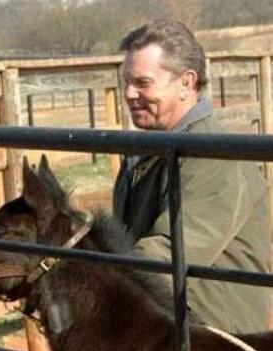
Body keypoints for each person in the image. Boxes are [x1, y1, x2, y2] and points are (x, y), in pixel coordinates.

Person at [113, 19, 270, 334]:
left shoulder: (215, 155)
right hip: (165, 317)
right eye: (126, 82)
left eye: (142, 82)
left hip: (215, 337)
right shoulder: (150, 149)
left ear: (186, 82)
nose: (130, 94)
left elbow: (172, 249)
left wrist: (89, 273)